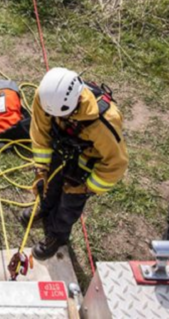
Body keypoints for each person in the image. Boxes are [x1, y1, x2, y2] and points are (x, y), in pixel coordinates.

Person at [22, 67, 128, 260]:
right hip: (62, 145)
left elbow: (116, 163)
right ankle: (44, 208)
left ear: (76, 103)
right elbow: (40, 131)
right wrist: (41, 169)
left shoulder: (104, 122)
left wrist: (87, 187)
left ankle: (57, 234)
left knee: (69, 203)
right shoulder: (45, 97)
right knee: (49, 183)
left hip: (87, 160)